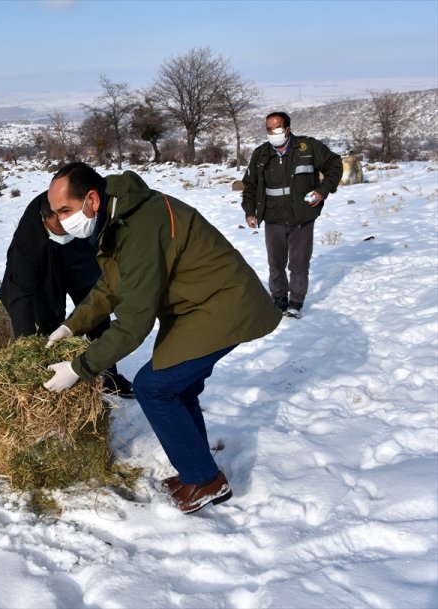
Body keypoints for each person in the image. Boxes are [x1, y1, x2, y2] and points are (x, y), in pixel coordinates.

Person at [42, 162, 281, 514]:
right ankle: (199, 472)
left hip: (224, 305)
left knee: (154, 387)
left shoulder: (138, 226)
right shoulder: (116, 217)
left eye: (65, 210)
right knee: (175, 388)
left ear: (91, 199)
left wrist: (79, 368)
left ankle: (205, 481)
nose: (62, 222)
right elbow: (110, 287)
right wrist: (70, 326)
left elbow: (133, 324)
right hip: (196, 305)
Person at [0, 191, 133, 397]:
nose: (63, 236)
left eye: (66, 230)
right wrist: (26, 348)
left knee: (97, 319)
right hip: (47, 273)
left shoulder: (85, 211)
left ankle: (108, 377)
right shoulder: (28, 238)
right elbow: (19, 292)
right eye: (57, 232)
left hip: (82, 265)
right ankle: (49, 373)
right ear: (44, 220)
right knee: (48, 325)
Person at [242, 111, 343, 319]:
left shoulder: (308, 147)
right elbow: (250, 185)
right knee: (276, 264)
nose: (273, 133)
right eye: (269, 129)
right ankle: (279, 299)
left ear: (287, 129)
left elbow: (335, 164)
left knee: (299, 264)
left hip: (301, 217)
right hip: (273, 217)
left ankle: (296, 302)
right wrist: (250, 211)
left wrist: (322, 191)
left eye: (277, 128)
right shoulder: (261, 154)